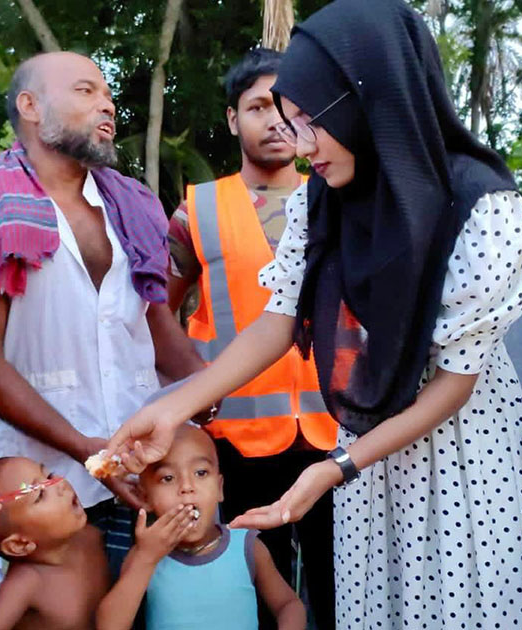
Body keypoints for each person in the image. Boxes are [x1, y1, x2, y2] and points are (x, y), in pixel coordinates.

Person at [107, 1, 522, 627]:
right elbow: (279, 319)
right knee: (377, 603)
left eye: (312, 121)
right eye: (292, 121)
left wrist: (337, 467)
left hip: (456, 452)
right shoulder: (324, 197)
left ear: (370, 100)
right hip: (365, 436)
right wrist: (171, 406)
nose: (299, 143)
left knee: (459, 605)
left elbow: (452, 386)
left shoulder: (482, 207)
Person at [0, 51, 205, 578]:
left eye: (108, 95)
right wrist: (87, 451)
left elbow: (155, 324)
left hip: (143, 468)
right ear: (30, 106)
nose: (107, 106)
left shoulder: (132, 205)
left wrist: (208, 390)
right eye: (85, 91)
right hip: (45, 492)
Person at [166, 47, 337, 629]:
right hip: (235, 445)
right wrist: (192, 386)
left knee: (340, 591)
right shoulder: (198, 212)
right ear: (234, 118)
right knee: (254, 598)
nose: (275, 120)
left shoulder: (341, 202)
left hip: (335, 439)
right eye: (258, 106)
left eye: (287, 107)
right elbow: (158, 312)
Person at [97, 424, 306, 630]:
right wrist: (145, 558)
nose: (187, 487)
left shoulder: (246, 547)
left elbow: (288, 605)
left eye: (200, 473)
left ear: (219, 488)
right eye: (168, 478)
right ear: (145, 497)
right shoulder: (144, 556)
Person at [0, 457, 109, 630]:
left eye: (49, 475)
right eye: (40, 495)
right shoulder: (26, 582)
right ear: (19, 544)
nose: (59, 484)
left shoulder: (91, 536)